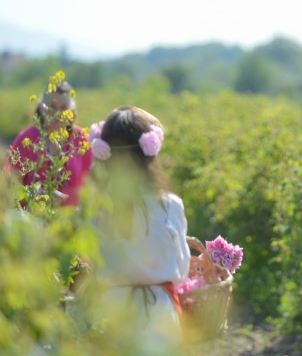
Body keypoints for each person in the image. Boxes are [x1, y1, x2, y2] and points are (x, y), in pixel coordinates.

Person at [87, 106, 191, 354]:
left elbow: (89, 263)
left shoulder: (96, 208)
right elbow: (182, 270)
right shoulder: (169, 206)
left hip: (111, 313)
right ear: (149, 155)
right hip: (160, 315)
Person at [5, 80, 93, 208]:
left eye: (64, 108)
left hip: (71, 220)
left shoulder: (81, 139)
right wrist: (36, 195)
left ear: (71, 111)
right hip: (32, 221)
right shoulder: (27, 138)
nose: (57, 112)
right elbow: (9, 185)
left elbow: (91, 185)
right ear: (41, 107)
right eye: (52, 106)